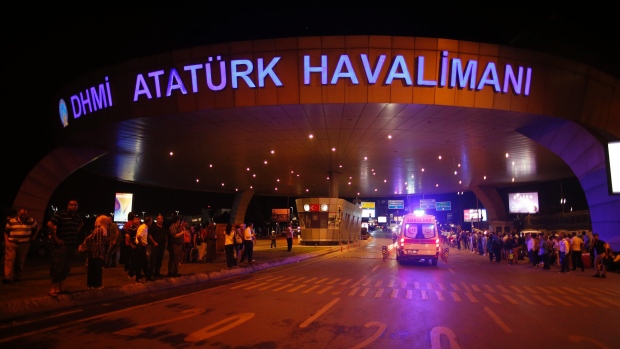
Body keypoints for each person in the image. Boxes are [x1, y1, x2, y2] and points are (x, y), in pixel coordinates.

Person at [48, 199, 83, 297]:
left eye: (75, 205)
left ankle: (61, 287)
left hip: (71, 245)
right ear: (68, 206)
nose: (73, 207)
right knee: (58, 266)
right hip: (61, 245)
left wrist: (76, 231)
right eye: (71, 205)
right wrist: (55, 237)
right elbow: (50, 224)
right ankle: (52, 288)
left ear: (77, 207)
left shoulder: (77, 217)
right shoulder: (61, 214)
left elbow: (81, 223)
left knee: (66, 267)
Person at [3, 208, 39, 284]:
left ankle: (18, 276)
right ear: (18, 213)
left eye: (25, 214)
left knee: (20, 261)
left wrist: (34, 236)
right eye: (21, 214)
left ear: (27, 214)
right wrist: (6, 241)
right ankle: (7, 277)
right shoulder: (12, 221)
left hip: (24, 244)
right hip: (12, 243)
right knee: (9, 260)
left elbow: (37, 227)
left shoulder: (31, 221)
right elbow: (6, 231)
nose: (23, 216)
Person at [83, 214, 109, 289]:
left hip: (93, 252)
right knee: (97, 270)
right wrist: (101, 253)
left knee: (92, 269)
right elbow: (99, 243)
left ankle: (91, 285)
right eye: (106, 221)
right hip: (96, 253)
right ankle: (97, 285)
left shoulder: (97, 229)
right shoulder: (101, 230)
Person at [134, 216, 153, 282]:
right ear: (149, 222)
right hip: (141, 246)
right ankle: (138, 277)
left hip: (142, 245)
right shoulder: (143, 227)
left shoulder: (145, 227)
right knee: (140, 262)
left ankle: (147, 276)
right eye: (151, 221)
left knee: (145, 262)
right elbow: (139, 236)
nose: (151, 223)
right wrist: (142, 243)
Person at [148, 214, 167, 279]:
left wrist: (166, 242)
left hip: (162, 246)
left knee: (159, 261)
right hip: (155, 246)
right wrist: (154, 242)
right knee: (153, 260)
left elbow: (165, 236)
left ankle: (157, 273)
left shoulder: (163, 227)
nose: (160, 220)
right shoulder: (153, 227)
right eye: (159, 218)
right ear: (156, 219)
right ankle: (150, 274)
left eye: (161, 218)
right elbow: (150, 236)